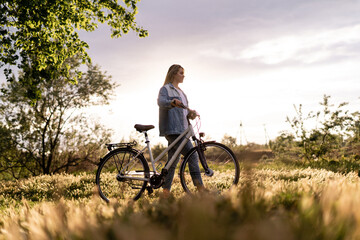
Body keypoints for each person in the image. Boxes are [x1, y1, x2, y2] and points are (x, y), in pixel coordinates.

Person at [157, 64, 203, 197]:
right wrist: (172, 102)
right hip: (172, 129)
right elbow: (161, 102)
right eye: (181, 73)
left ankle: (165, 192)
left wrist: (191, 114)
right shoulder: (165, 89)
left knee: (172, 161)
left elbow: (183, 112)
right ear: (173, 74)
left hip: (182, 129)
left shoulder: (182, 93)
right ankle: (200, 188)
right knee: (192, 155)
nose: (183, 75)